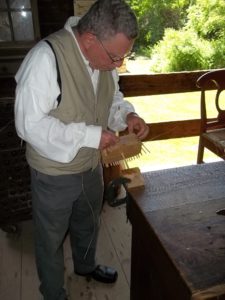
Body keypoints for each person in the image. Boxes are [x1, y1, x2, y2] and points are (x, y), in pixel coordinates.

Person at [14, 0, 149, 299]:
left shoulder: (103, 58)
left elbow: (111, 98)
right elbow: (29, 125)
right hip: (53, 173)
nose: (117, 64)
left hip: (90, 166)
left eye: (122, 57)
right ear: (90, 40)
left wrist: (127, 116)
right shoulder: (44, 59)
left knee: (88, 220)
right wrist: (89, 135)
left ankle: (85, 266)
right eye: (115, 57)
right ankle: (53, 293)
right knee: (49, 239)